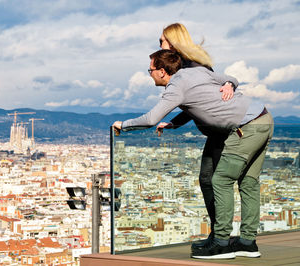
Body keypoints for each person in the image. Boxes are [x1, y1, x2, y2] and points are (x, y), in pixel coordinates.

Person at [112, 49, 274, 259]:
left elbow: (151, 118)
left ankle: (222, 243)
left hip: (245, 128)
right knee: (249, 182)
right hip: (263, 118)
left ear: (162, 71)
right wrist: (175, 123)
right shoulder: (195, 73)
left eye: (150, 70)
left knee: (222, 180)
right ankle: (247, 243)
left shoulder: (176, 86)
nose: (149, 74)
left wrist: (123, 125)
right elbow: (219, 87)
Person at [159, 23, 234, 248]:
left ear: (172, 43)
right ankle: (217, 234)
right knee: (208, 180)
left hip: (222, 131)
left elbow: (201, 101)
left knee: (215, 182)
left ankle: (220, 237)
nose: (160, 46)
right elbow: (193, 105)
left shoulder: (191, 67)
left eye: (162, 41)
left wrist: (229, 83)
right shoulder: (192, 64)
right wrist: (174, 123)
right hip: (216, 132)